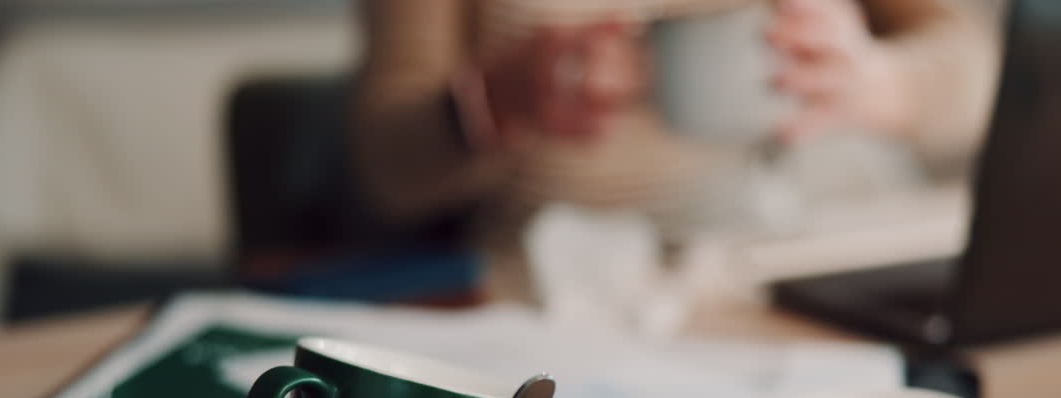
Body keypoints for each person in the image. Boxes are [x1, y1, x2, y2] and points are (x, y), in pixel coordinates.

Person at [352, 0, 999, 227]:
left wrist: (881, 80)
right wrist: (489, 102)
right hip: (535, 282)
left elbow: (979, 68)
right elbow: (385, 167)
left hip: (751, 258)